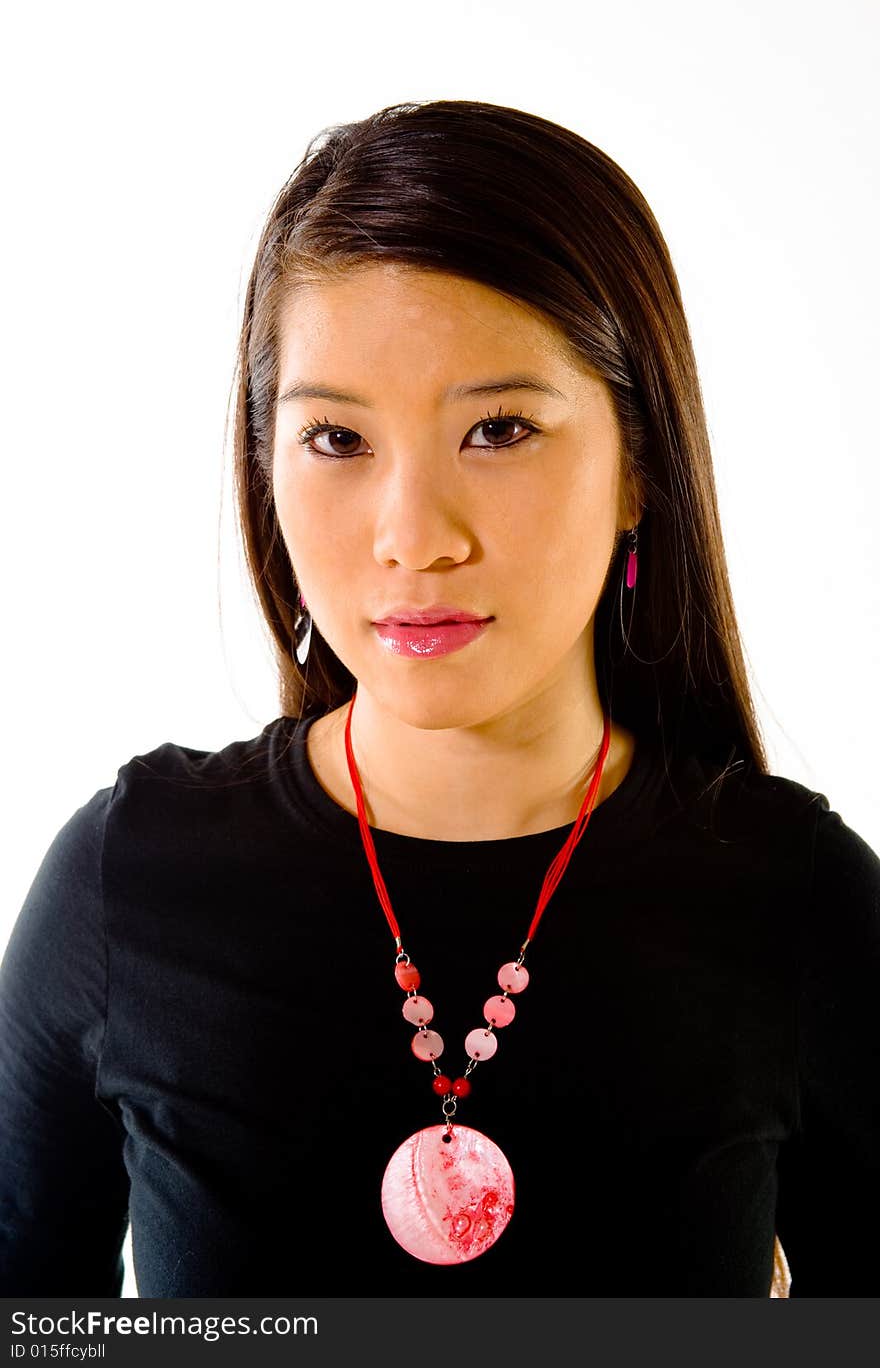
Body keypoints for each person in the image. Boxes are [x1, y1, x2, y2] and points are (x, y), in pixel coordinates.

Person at [1, 98, 878, 1299]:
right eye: (336, 442)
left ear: (639, 467)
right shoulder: (130, 880)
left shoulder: (798, 902)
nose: (412, 539)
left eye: (500, 427)